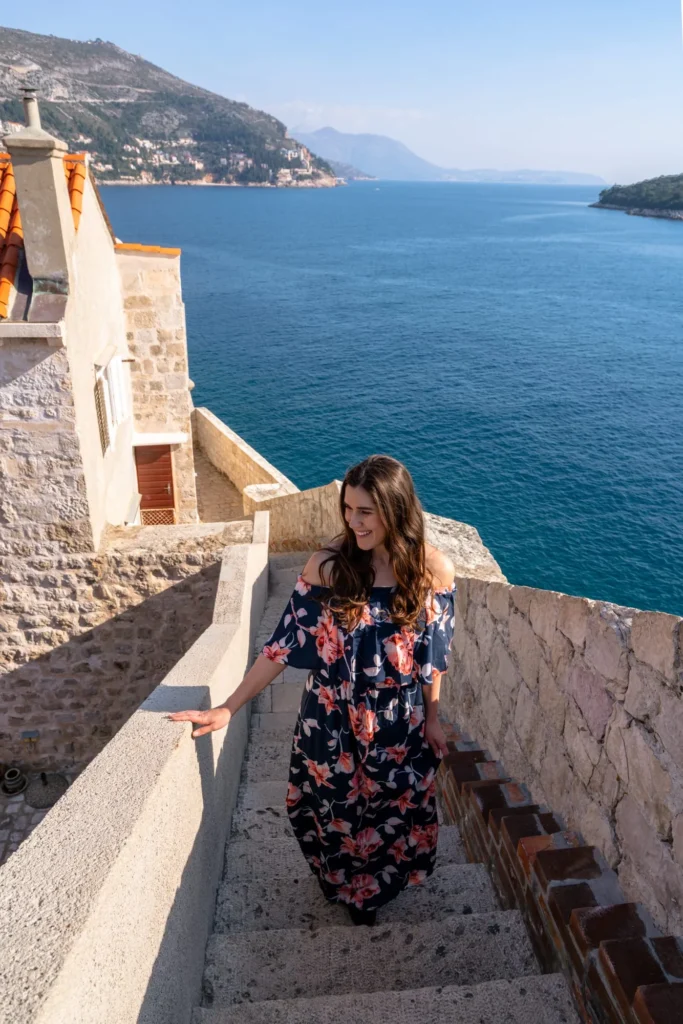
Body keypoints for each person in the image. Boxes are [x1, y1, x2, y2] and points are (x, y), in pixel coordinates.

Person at [169, 454, 455, 925]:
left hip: (398, 724)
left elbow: (433, 658)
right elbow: (282, 646)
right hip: (331, 718)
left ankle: (374, 894)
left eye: (366, 511)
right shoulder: (327, 567)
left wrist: (435, 717)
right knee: (337, 815)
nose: (353, 522)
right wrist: (228, 707)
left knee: (388, 813)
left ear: (396, 509)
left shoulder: (433, 572)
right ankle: (348, 892)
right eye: (348, 508)